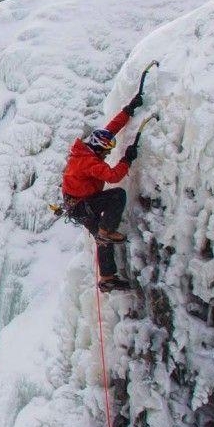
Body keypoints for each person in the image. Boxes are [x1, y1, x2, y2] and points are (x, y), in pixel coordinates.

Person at [63, 88, 144, 291]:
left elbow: (110, 129)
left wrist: (128, 110)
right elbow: (114, 176)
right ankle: (107, 231)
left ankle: (108, 278)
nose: (107, 155)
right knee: (117, 195)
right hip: (83, 204)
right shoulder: (89, 162)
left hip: (79, 203)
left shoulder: (86, 151)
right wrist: (127, 159)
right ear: (99, 148)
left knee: (101, 238)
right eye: (106, 152)